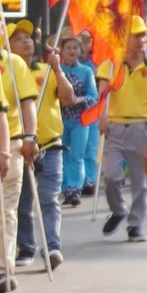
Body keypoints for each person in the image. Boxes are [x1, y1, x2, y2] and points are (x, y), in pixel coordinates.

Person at [0, 1, 37, 293]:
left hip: (10, 144)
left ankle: (2, 270)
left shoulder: (15, 63)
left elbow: (27, 103)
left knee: (4, 211)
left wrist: (30, 137)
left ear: (3, 27)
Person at [12, 20, 73, 267]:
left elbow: (68, 98)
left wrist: (58, 70)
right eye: (18, 38)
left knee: (48, 197)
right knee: (23, 201)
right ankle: (26, 246)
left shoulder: (45, 70)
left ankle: (52, 247)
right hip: (20, 146)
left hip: (49, 144)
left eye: (28, 37)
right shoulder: (6, 72)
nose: (26, 41)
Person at [97, 16, 147, 242]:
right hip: (115, 128)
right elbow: (102, 94)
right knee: (112, 176)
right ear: (124, 39)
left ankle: (135, 225)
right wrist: (102, 116)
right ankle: (119, 210)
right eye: (136, 35)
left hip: (141, 126)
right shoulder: (112, 63)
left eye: (143, 35)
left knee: (139, 182)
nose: (141, 39)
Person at [58, 35, 100, 204]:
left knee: (77, 154)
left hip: (80, 120)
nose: (72, 51)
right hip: (60, 119)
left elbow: (93, 96)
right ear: (62, 51)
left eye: (75, 48)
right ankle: (65, 187)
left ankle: (74, 189)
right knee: (62, 154)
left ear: (80, 51)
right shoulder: (56, 70)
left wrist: (78, 100)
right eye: (68, 47)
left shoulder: (86, 71)